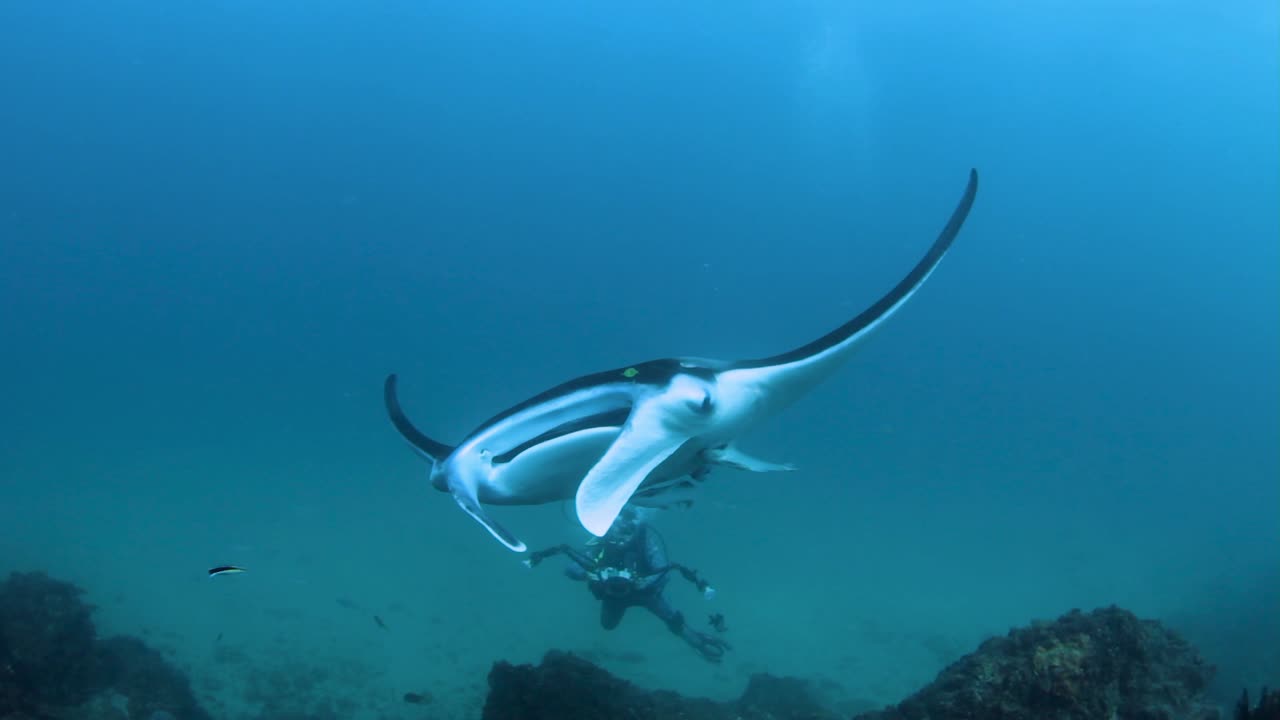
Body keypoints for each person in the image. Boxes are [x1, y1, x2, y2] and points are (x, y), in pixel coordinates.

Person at [523, 506, 731, 663]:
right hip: (613, 595)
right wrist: (592, 575)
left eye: (628, 528)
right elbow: (572, 567)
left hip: (646, 594)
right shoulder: (602, 538)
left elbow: (664, 569)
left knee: (673, 620)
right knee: (607, 626)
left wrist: (643, 582)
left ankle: (698, 641)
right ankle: (696, 638)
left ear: (636, 526)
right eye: (618, 526)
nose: (622, 534)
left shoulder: (646, 540)